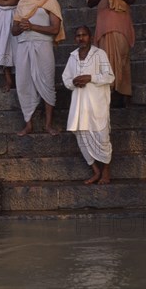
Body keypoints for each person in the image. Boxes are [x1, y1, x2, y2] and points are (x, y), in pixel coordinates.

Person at [11, 0, 65, 136]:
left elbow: (55, 29)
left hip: (43, 45)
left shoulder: (51, 1)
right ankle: (29, 124)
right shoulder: (22, 3)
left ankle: (48, 124)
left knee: (47, 82)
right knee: (23, 83)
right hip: (23, 45)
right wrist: (21, 26)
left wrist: (32, 26)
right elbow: (13, 31)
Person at [63, 26, 115, 184]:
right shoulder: (72, 57)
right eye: (78, 36)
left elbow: (110, 76)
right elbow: (65, 78)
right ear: (75, 39)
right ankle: (96, 172)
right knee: (82, 137)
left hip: (97, 104)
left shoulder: (100, 54)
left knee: (102, 137)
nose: (81, 38)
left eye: (84, 35)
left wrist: (90, 77)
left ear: (90, 37)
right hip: (80, 105)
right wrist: (74, 82)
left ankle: (106, 172)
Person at [86, 0, 136, 107]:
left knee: (122, 58)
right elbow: (90, 2)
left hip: (121, 24)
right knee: (104, 60)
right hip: (103, 25)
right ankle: (109, 94)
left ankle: (124, 93)